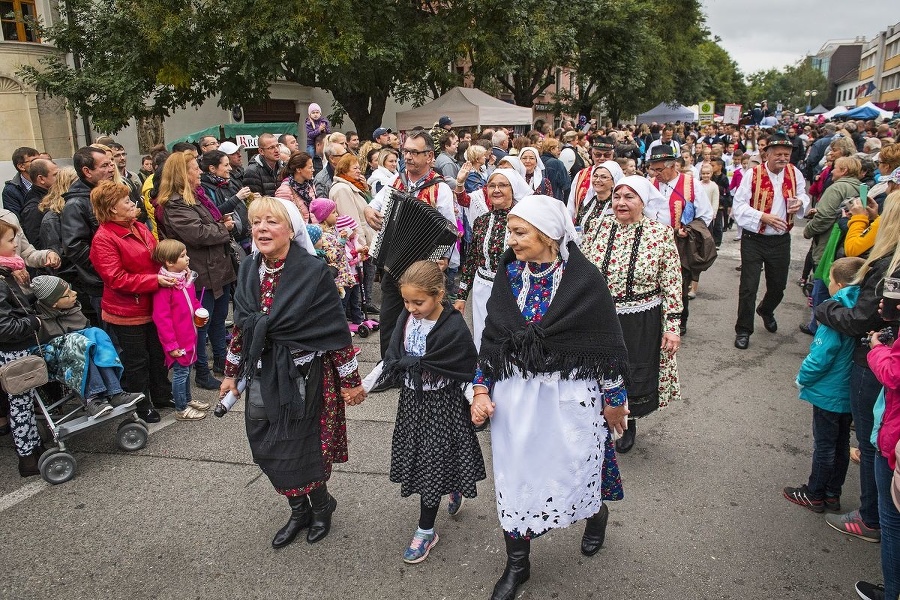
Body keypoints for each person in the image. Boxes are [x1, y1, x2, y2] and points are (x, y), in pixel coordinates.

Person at [471, 195, 630, 600]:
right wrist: (480, 387)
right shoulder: (507, 276)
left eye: (520, 232)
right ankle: (518, 565)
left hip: (571, 392)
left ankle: (595, 515)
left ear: (548, 235)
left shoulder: (585, 281)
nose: (512, 240)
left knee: (575, 466)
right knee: (517, 478)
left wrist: (615, 399)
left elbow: (604, 345)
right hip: (517, 396)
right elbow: (492, 341)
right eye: (510, 230)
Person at [219, 196, 365, 549]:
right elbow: (243, 327)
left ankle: (320, 507)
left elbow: (334, 330)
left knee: (303, 446)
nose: (261, 229)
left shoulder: (312, 272)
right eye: (256, 222)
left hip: (306, 374)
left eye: (271, 221)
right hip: (262, 372)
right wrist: (230, 373)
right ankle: (298, 510)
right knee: (267, 443)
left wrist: (351, 381)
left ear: (291, 229)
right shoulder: (248, 268)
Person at [373, 260, 485, 563]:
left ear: (439, 294)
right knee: (426, 459)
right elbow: (393, 357)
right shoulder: (406, 319)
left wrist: (476, 399)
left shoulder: (452, 327)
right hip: (412, 402)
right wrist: (364, 386)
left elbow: (464, 366)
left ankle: (425, 531)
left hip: (443, 404)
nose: (410, 307)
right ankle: (453, 484)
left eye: (418, 301)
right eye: (406, 301)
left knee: (433, 462)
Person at [815, 191, 900, 550]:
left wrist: (825, 308)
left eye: (880, 212)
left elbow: (860, 320)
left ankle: (871, 517)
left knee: (871, 443)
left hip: (873, 363)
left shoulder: (888, 266)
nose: (874, 215)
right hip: (880, 357)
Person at [580, 176, 683, 453]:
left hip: (641, 318)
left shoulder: (660, 233)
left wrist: (672, 326)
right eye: (617, 197)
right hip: (601, 316)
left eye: (629, 197)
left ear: (643, 201)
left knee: (632, 372)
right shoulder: (599, 227)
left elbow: (672, 283)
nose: (621, 203)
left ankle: (627, 422)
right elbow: (582, 270)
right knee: (597, 369)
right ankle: (596, 419)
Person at [364, 131, 456, 358]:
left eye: (415, 152)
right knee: (388, 318)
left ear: (429, 156)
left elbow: (451, 231)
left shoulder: (440, 188)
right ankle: (388, 365)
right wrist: (368, 211)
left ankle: (422, 361)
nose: (408, 157)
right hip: (391, 263)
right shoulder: (397, 181)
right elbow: (373, 204)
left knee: (423, 318)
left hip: (422, 269)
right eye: (406, 151)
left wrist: (441, 258)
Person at [784, 256, 865, 512]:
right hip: (848, 390)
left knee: (824, 445)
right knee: (841, 443)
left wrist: (802, 378)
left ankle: (814, 492)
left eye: (830, 279)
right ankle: (832, 493)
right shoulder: (863, 311)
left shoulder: (836, 313)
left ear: (839, 284)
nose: (828, 283)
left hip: (828, 391)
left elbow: (821, 356)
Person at [89, 180, 173, 424]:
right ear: (112, 209)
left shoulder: (138, 226)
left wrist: (173, 267)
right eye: (125, 201)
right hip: (126, 310)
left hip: (152, 303)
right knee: (137, 361)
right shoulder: (104, 238)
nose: (132, 203)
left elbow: (156, 255)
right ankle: (141, 404)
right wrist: (155, 280)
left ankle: (161, 394)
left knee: (157, 354)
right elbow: (115, 278)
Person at [156, 151, 236, 388]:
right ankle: (202, 371)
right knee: (202, 324)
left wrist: (222, 226)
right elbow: (198, 234)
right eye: (194, 168)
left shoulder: (198, 197)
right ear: (182, 174)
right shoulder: (174, 204)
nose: (199, 171)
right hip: (200, 272)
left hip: (217, 269)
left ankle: (222, 361)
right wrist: (225, 229)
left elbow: (210, 224)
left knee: (220, 318)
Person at [732, 133, 809, 349]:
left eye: (787, 154)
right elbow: (738, 206)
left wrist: (800, 203)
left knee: (778, 286)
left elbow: (804, 195)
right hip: (754, 238)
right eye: (779, 154)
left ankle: (766, 309)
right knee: (749, 286)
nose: (783, 159)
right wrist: (762, 216)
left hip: (781, 240)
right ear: (767, 154)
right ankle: (744, 329)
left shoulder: (795, 174)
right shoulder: (752, 175)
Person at [30, 274, 143, 417]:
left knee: (96, 333)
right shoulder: (37, 321)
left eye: (70, 289)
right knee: (76, 341)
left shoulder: (74, 310)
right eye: (68, 294)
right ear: (54, 303)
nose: (74, 293)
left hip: (82, 351)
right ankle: (92, 399)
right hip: (56, 362)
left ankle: (116, 392)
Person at [453, 169, 531, 350]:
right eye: (492, 186)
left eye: (502, 185)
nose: (496, 190)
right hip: (482, 289)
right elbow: (472, 260)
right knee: (482, 335)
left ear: (513, 190)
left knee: (510, 337)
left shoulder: (523, 221)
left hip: (513, 288)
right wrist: (462, 297)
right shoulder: (481, 221)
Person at [645, 145, 713, 336]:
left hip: (680, 243)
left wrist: (689, 230)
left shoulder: (691, 184)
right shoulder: (650, 183)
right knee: (654, 282)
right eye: (653, 168)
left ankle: (679, 320)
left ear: (673, 165)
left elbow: (706, 215)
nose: (655, 173)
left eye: (659, 169)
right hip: (653, 243)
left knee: (679, 285)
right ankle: (655, 320)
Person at [857, 299, 900, 600]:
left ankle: (893, 592)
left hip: (895, 438)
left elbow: (893, 374)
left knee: (893, 519)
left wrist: (878, 347)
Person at [0, 220, 45, 476]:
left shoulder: (7, 273)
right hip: (13, 351)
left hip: (20, 347)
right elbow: (4, 326)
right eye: (9, 240)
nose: (15, 244)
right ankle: (27, 456)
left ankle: (34, 448)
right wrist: (33, 321)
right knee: (19, 404)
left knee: (24, 402)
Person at [802, 156, 864, 335]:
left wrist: (808, 230)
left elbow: (824, 217)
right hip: (848, 245)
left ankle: (817, 326)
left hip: (831, 244)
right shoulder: (861, 188)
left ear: (844, 170)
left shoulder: (837, 187)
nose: (831, 170)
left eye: (835, 167)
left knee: (823, 284)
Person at [151, 239, 209, 421]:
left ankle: (187, 399)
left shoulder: (184, 278)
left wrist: (199, 310)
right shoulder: (165, 287)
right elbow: (162, 318)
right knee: (181, 372)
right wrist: (171, 344)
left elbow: (192, 301)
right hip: (178, 339)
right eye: (183, 256)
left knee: (187, 369)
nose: (188, 259)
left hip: (188, 334)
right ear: (169, 262)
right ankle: (181, 407)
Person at [329, 154, 376, 311]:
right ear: (344, 170)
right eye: (355, 168)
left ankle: (364, 304)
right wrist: (361, 244)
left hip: (364, 236)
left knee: (366, 274)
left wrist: (366, 189)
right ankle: (358, 308)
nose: (359, 171)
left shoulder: (353, 186)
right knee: (357, 279)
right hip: (355, 241)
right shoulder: (343, 189)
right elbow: (351, 219)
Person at [567, 161, 623, 231]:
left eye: (603, 177)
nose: (597, 180)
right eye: (595, 176)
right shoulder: (588, 201)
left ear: (613, 182)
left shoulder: (617, 205)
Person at [19, 158, 58, 247]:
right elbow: (35, 243)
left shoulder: (53, 196)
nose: (60, 178)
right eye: (55, 175)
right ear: (41, 179)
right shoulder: (34, 207)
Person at [274, 151, 316, 222]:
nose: (313, 170)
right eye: (310, 167)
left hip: (314, 230)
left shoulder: (310, 185)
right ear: (298, 169)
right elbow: (282, 218)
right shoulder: (284, 191)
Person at [2, 147, 40, 218]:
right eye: (35, 161)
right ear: (21, 166)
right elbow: (16, 220)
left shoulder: (47, 180)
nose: (41, 164)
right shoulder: (11, 191)